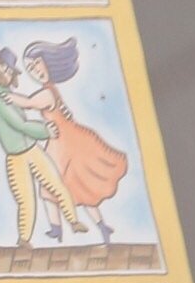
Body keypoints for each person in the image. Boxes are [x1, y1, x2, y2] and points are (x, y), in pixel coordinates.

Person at [16, 38, 125, 243]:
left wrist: (8, 97)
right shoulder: (50, 90)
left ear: (48, 62)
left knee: (67, 187)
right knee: (57, 188)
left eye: (36, 63)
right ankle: (63, 228)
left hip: (66, 144)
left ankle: (92, 227)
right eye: (29, 68)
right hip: (61, 143)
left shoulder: (48, 92)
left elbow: (29, 103)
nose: (35, 70)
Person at [0, 46, 83, 250]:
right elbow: (20, 125)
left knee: (55, 183)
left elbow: (26, 109)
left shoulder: (6, 94)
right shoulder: (0, 99)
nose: (9, 74)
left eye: (10, 71)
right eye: (5, 71)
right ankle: (24, 239)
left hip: (30, 149)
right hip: (17, 156)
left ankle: (73, 221)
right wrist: (45, 130)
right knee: (26, 199)